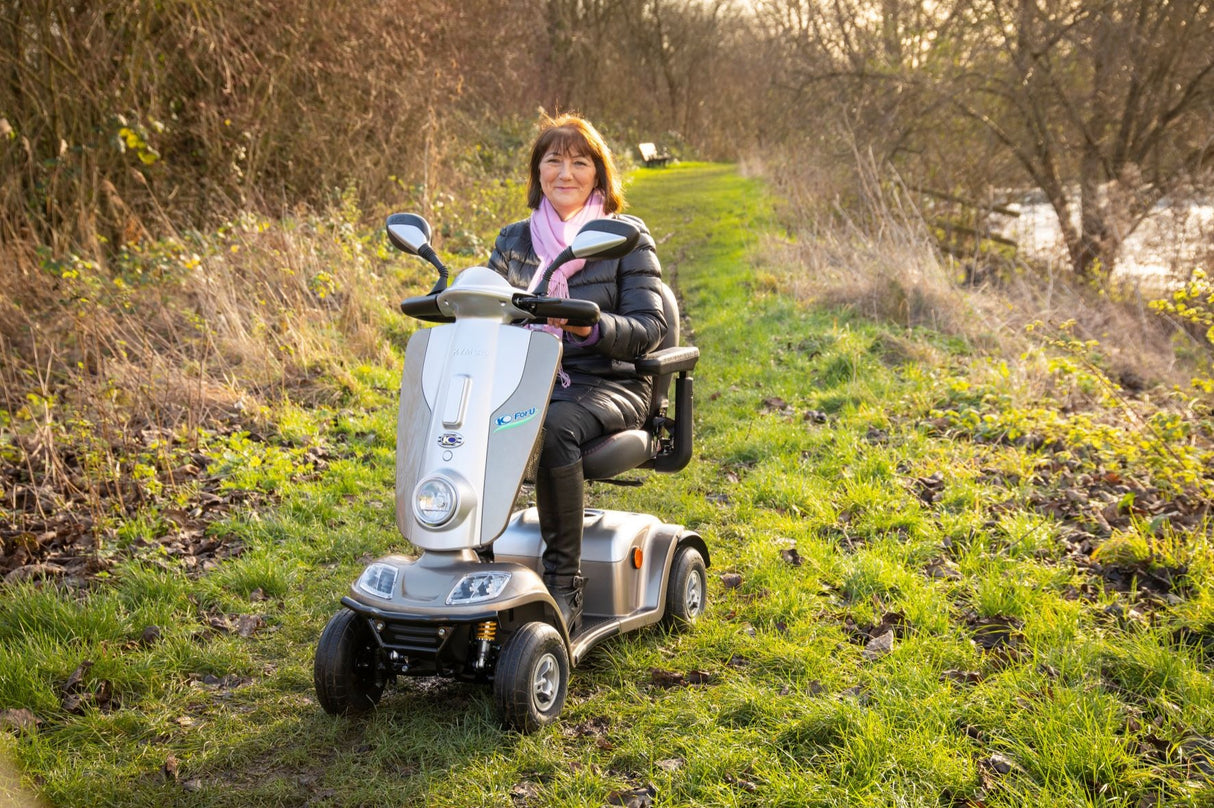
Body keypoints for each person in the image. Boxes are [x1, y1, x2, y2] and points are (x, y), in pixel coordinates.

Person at [487, 114, 667, 632]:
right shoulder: (514, 240)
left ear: (598, 174)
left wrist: (590, 326)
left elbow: (650, 326)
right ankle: (473, 562)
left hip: (610, 380)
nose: (565, 173)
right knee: (464, 417)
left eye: (579, 162)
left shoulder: (626, 237)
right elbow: (489, 301)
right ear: (537, 172)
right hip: (527, 377)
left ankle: (564, 585)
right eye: (553, 160)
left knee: (552, 427)